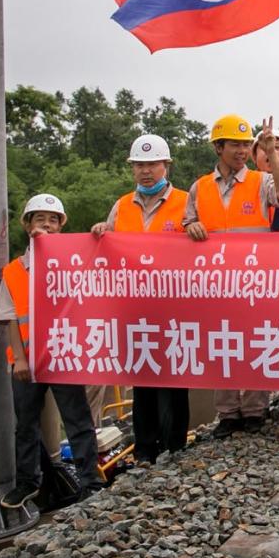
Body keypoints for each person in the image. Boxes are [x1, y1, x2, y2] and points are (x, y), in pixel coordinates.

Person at [183, 114, 279, 439]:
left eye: (246, 144)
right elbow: (186, 223)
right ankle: (228, 413)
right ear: (219, 147)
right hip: (215, 284)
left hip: (254, 280)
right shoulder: (200, 187)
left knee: (256, 341)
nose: (242, 150)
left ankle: (256, 409)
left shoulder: (262, 181)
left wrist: (271, 153)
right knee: (223, 345)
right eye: (235, 144)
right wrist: (190, 226)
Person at [0, 194, 102, 508]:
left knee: (78, 420)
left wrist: (99, 234)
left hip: (64, 357)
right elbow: (11, 317)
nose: (47, 224)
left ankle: (90, 481)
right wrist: (19, 358)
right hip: (27, 363)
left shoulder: (73, 263)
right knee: (26, 424)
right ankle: (28, 482)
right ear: (28, 225)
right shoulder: (14, 271)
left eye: (54, 219)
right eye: (40, 218)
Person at [91, 135, 191, 465]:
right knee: (143, 379)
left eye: (152, 164)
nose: (146, 171)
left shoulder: (185, 200)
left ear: (166, 165)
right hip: (135, 308)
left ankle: (175, 445)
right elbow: (110, 243)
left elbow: (199, 241)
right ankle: (146, 448)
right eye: (139, 165)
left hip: (174, 305)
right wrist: (102, 231)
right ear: (132, 169)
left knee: (175, 377)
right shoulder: (122, 206)